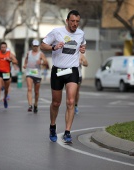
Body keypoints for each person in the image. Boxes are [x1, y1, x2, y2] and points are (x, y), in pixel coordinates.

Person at [40, 10, 86, 143]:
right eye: (72, 21)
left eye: (77, 22)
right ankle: (53, 126)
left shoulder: (81, 33)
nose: (75, 24)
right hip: (58, 70)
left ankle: (67, 132)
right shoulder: (57, 32)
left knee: (71, 101)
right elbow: (43, 45)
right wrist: (54, 47)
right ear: (67, 21)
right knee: (56, 103)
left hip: (72, 70)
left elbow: (83, 43)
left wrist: (83, 49)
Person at [23, 39, 48, 113]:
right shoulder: (29, 53)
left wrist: (41, 62)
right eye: (34, 46)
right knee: (29, 89)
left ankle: (36, 104)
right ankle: (30, 105)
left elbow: (46, 62)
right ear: (32, 46)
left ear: (38, 46)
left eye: (36, 46)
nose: (35, 47)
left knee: (36, 92)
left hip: (37, 74)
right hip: (29, 73)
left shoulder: (41, 54)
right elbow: (26, 59)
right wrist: (25, 64)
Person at [0, 42, 18, 110]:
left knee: (6, 89)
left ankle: (5, 98)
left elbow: (16, 61)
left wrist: (10, 60)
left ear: (6, 47)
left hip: (7, 73)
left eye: (4, 47)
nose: (3, 48)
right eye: (2, 47)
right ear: (0, 48)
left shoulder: (9, 54)